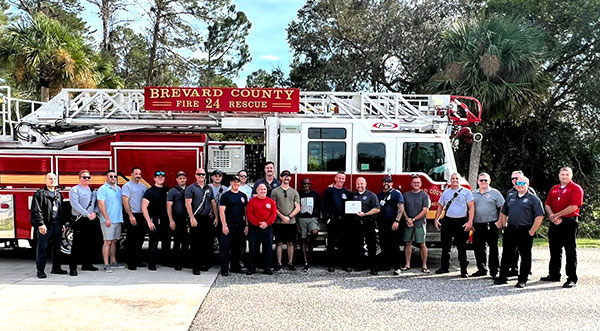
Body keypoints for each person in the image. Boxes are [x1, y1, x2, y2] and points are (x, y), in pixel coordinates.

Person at [494, 175, 544, 288]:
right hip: (511, 228)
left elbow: (539, 216)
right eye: (518, 183)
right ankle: (502, 277)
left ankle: (522, 279)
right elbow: (504, 211)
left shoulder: (533, 199)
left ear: (527, 184)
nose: (519, 185)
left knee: (525, 256)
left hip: (525, 229)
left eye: (522, 183)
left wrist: (532, 231)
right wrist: (503, 224)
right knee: (507, 254)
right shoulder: (511, 196)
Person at [542, 167, 584, 288]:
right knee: (554, 249)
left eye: (567, 174)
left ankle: (571, 278)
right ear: (559, 175)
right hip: (555, 222)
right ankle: (554, 274)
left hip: (569, 222)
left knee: (570, 250)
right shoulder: (554, 188)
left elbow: (574, 206)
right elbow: (547, 204)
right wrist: (551, 216)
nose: (564, 176)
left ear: (571, 176)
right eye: (562, 174)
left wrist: (557, 215)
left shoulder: (576, 188)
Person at [434, 173, 474, 278]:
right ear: (450, 181)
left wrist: (470, 222)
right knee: (445, 246)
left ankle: (463, 270)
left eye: (457, 178)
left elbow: (471, 207)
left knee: (462, 247)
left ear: (460, 180)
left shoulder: (467, 192)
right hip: (448, 221)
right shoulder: (446, 193)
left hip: (461, 222)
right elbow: (440, 206)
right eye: (453, 178)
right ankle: (444, 267)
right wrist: (436, 219)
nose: (455, 180)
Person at [31, 173, 67, 278]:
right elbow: (36, 211)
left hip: (57, 224)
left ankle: (56, 268)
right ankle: (40, 271)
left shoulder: (58, 195)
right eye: (50, 179)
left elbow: (60, 211)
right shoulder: (39, 194)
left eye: (54, 179)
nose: (53, 181)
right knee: (42, 248)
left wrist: (62, 223)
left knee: (57, 248)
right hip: (45, 225)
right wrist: (40, 224)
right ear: (46, 181)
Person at [503, 170, 537, 277]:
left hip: (525, 226)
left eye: (517, 179)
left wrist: (532, 229)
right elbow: (506, 209)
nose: (515, 181)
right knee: (510, 250)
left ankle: (526, 272)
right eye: (513, 179)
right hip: (512, 226)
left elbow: (534, 210)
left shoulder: (530, 192)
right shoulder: (510, 192)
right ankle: (513, 268)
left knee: (525, 252)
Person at [471, 172, 505, 279]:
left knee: (493, 248)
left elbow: (503, 207)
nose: (483, 182)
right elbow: (469, 209)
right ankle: (481, 269)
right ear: (478, 181)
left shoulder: (495, 193)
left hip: (491, 224)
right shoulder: (473, 194)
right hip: (477, 224)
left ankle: (494, 271)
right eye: (481, 180)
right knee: (478, 248)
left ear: (489, 181)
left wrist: (500, 221)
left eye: (485, 180)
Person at [185, 168, 217, 275]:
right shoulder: (191, 188)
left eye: (203, 174)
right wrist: (191, 218)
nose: (201, 176)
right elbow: (188, 204)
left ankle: (204, 264)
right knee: (195, 244)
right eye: (199, 174)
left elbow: (213, 203)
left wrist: (216, 217)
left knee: (206, 243)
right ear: (195, 175)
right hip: (196, 218)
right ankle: (195, 266)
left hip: (207, 219)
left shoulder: (209, 188)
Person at [68, 170, 99, 276]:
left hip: (91, 219)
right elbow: (75, 204)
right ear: (79, 178)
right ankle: (73, 268)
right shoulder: (74, 189)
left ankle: (87, 264)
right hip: (79, 219)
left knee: (90, 243)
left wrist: (95, 212)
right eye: (84, 177)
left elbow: (96, 204)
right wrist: (86, 213)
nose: (87, 179)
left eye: (88, 177)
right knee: (77, 245)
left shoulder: (93, 191)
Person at [219, 175, 248, 276]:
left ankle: (235, 266)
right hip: (229, 225)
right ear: (231, 183)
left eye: (238, 182)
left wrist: (247, 225)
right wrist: (224, 225)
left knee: (238, 248)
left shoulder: (243, 196)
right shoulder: (225, 196)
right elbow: (222, 211)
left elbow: (246, 212)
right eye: (234, 182)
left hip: (240, 225)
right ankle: (224, 268)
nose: (236, 184)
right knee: (225, 248)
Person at [350, 177, 380, 275]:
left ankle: (373, 268)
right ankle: (360, 265)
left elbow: (377, 209)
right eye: (358, 184)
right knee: (358, 245)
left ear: (366, 184)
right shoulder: (352, 195)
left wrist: (365, 214)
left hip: (369, 223)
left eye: (361, 184)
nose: (360, 186)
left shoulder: (372, 195)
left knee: (371, 246)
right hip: (356, 224)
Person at [271, 170, 300, 271]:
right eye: (284, 176)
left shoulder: (294, 192)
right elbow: (273, 207)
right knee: (278, 243)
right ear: (281, 178)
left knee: (290, 243)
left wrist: (289, 217)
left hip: (291, 222)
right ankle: (279, 263)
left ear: (290, 178)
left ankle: (290, 263)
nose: (286, 178)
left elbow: (297, 207)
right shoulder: (275, 191)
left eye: (288, 176)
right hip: (279, 222)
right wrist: (282, 217)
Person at [402, 175, 431, 274]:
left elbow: (425, 210)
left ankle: (424, 265)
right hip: (408, 223)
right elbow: (402, 208)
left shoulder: (425, 196)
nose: (416, 184)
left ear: (421, 184)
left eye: (418, 183)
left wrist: (413, 219)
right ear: (411, 184)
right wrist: (407, 219)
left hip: (420, 223)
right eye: (414, 182)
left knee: (422, 244)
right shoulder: (405, 195)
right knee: (407, 243)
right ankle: (407, 264)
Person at [97, 170, 125, 273]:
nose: (113, 178)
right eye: (111, 176)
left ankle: (113, 261)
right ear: (106, 178)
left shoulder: (118, 189)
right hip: (108, 220)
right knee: (107, 242)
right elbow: (101, 204)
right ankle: (106, 264)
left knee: (114, 241)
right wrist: (106, 218)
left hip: (117, 219)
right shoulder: (102, 189)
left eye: (115, 176)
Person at [142, 170, 170, 270]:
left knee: (166, 242)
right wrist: (149, 221)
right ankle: (151, 263)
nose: (161, 178)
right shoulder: (150, 191)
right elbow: (144, 207)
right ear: (154, 178)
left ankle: (165, 260)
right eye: (158, 177)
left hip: (166, 220)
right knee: (153, 242)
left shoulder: (168, 190)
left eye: (163, 176)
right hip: (155, 220)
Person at [246, 183, 276, 275]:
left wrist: (266, 223)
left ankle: (267, 267)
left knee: (267, 249)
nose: (263, 191)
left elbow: (273, 214)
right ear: (257, 191)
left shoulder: (271, 202)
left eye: (264, 189)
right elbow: (249, 214)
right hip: (255, 229)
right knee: (253, 249)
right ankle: (252, 268)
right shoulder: (252, 202)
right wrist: (258, 223)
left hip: (267, 228)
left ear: (267, 191)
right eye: (261, 189)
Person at [376, 175, 404, 275]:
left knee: (394, 246)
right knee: (384, 245)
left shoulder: (397, 194)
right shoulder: (379, 195)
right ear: (382, 183)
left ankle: (397, 267)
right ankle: (385, 265)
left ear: (392, 183)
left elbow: (401, 208)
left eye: (388, 182)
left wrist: (397, 221)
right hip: (382, 223)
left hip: (393, 222)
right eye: (384, 181)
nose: (386, 183)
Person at [322, 171, 350, 272]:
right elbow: (323, 206)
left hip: (343, 221)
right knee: (332, 244)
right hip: (333, 221)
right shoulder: (329, 191)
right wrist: (327, 219)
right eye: (339, 178)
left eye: (343, 178)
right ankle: (331, 265)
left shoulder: (346, 192)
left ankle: (344, 265)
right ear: (335, 178)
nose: (341, 180)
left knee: (344, 244)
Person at [122, 167, 147, 270]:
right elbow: (125, 201)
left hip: (141, 215)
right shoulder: (127, 186)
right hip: (131, 215)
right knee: (132, 239)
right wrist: (131, 215)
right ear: (131, 174)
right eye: (136, 173)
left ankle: (137, 260)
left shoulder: (143, 187)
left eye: (139, 174)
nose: (138, 175)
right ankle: (130, 263)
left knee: (140, 239)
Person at [297, 178, 321, 272]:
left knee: (315, 232)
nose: (306, 186)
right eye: (304, 184)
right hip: (301, 219)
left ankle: (311, 243)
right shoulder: (298, 194)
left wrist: (318, 219)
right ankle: (306, 262)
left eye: (308, 184)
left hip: (312, 218)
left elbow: (318, 207)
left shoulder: (314, 194)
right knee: (303, 240)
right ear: (302, 185)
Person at [167, 171, 189, 271]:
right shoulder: (172, 191)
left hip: (187, 220)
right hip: (177, 220)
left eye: (184, 178)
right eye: (180, 178)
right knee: (177, 242)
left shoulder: (189, 190)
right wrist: (171, 220)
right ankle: (177, 263)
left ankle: (185, 261)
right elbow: (169, 206)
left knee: (186, 242)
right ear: (176, 180)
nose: (182, 180)